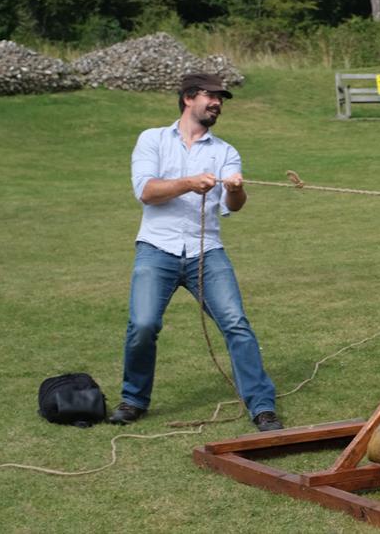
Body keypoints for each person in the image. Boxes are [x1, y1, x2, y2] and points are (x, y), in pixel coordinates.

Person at [107, 73, 283, 432]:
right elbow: (146, 191)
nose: (218, 103)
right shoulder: (152, 139)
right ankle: (133, 400)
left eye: (221, 98)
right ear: (189, 97)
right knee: (143, 324)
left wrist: (234, 189)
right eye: (212, 96)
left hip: (208, 253)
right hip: (157, 248)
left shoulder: (225, 151)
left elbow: (234, 206)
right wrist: (189, 182)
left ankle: (262, 407)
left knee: (236, 324)